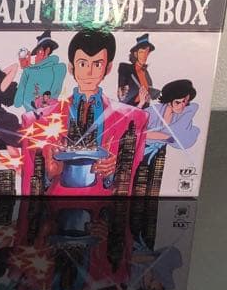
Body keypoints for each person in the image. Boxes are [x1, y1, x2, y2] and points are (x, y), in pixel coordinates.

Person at [19, 30, 148, 196]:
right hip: (54, 206)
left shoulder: (135, 119)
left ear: (108, 68)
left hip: (105, 207)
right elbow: (29, 190)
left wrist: (115, 172)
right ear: (71, 67)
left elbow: (134, 187)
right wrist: (48, 175)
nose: (89, 72)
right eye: (82, 64)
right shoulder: (35, 121)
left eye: (97, 64)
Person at [143, 79, 200, 161]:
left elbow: (194, 107)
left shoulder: (180, 115)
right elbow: (138, 132)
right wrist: (166, 137)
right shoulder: (153, 111)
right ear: (169, 101)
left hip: (160, 152)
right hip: (140, 149)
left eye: (185, 102)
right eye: (178, 102)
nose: (182, 106)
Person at [13, 30, 67, 111]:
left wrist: (29, 69)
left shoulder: (58, 68)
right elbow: (17, 102)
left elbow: (54, 93)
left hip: (46, 112)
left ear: (47, 51)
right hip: (30, 114)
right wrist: (26, 69)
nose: (36, 56)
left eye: (39, 51)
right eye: (37, 53)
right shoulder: (29, 71)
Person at [117, 34, 159, 109]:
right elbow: (122, 97)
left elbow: (148, 97)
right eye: (141, 52)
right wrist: (140, 100)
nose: (144, 56)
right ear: (135, 54)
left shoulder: (146, 73)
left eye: (147, 52)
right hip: (130, 109)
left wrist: (151, 94)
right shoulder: (125, 68)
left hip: (144, 110)